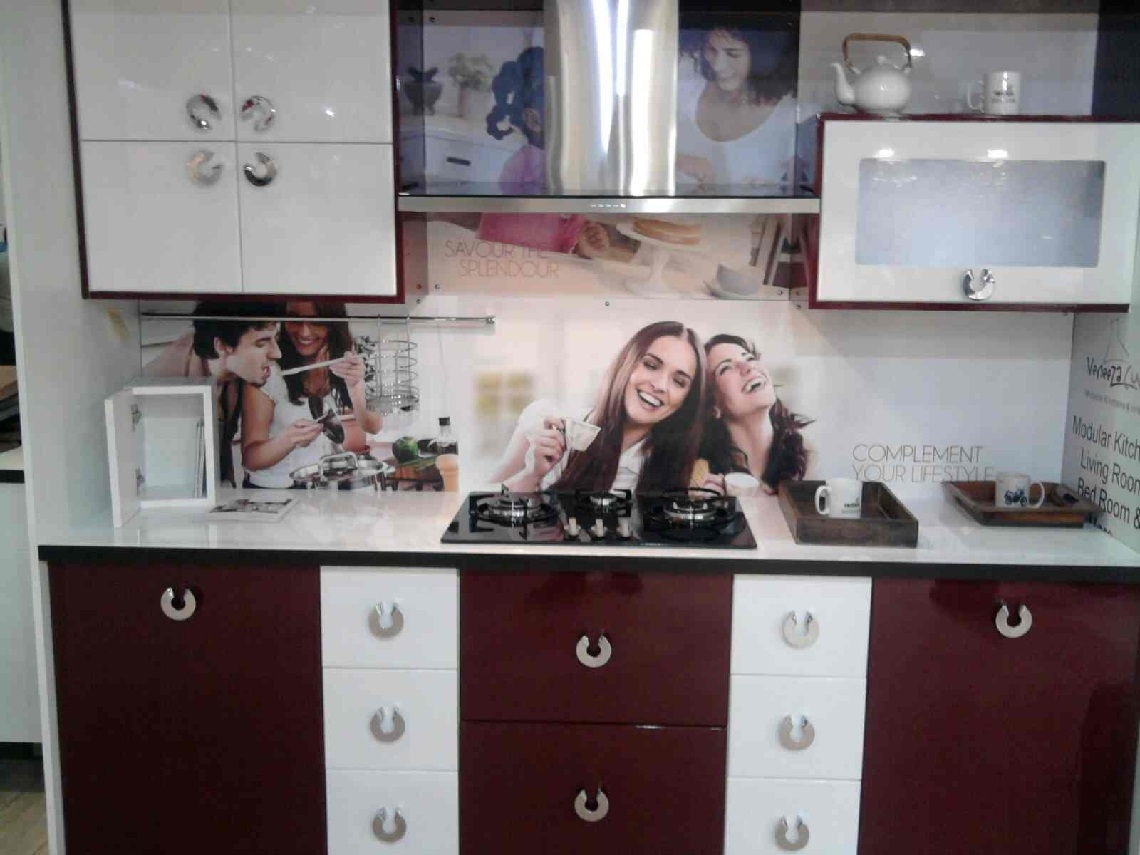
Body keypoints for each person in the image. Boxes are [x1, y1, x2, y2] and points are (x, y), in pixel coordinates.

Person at [491, 320, 709, 493]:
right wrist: (532, 475)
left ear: (686, 400)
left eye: (679, 381)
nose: (660, 385)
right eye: (651, 365)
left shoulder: (680, 472)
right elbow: (480, 507)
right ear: (627, 363)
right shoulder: (548, 421)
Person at [476, 46, 609, 258]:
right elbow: (508, 191)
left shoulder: (573, 170)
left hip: (548, 268)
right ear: (534, 120)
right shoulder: (522, 162)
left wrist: (586, 244)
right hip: (499, 259)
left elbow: (571, 234)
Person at [241, 302, 382, 488]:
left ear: (333, 324)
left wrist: (356, 388)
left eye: (316, 322)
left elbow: (373, 426)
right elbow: (250, 459)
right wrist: (288, 440)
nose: (304, 332)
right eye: (295, 320)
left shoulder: (347, 361)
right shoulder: (267, 372)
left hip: (321, 493)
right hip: (274, 493)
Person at [143, 301, 283, 486]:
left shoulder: (235, 370)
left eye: (275, 339)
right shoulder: (166, 389)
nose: (277, 353)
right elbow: (167, 477)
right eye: (261, 343)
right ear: (222, 346)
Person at [675, 24, 798, 188]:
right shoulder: (683, 83)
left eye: (733, 54)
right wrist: (675, 160)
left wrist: (773, 192)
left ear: (761, 55)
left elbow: (805, 190)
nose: (718, 65)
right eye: (711, 50)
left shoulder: (791, 118)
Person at [699, 333, 812, 494]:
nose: (748, 367)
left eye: (749, 358)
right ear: (713, 406)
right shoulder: (701, 474)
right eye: (726, 368)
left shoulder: (807, 457)